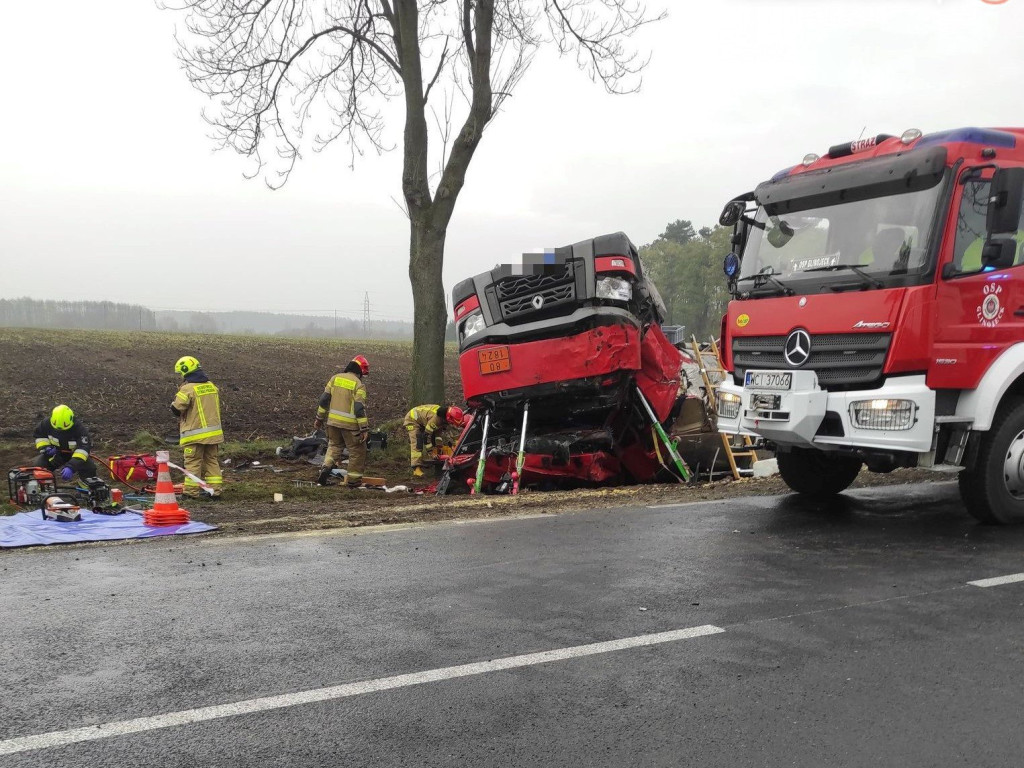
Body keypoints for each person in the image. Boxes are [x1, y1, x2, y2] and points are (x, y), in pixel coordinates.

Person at [171, 355, 224, 497]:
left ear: (185, 371)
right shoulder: (211, 386)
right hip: (213, 435)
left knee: (193, 463)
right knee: (211, 462)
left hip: (194, 435)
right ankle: (215, 492)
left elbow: (176, 409)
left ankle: (191, 493)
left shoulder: (187, 389)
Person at [313, 355, 370, 487]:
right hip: (350, 425)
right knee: (357, 451)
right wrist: (364, 428)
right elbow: (359, 408)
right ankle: (353, 481)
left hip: (332, 423)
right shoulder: (359, 385)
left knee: (334, 446)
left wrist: (319, 419)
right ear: (360, 371)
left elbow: (323, 400)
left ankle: (326, 467)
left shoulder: (334, 379)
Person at [33, 404, 97, 482]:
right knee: (40, 465)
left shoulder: (79, 429)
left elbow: (83, 449)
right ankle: (45, 487)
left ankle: (85, 490)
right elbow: (40, 437)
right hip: (55, 454)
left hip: (75, 455)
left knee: (89, 468)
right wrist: (45, 448)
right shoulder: (45, 424)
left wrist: (71, 467)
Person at [403, 404, 465, 477]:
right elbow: (427, 436)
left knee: (436, 440)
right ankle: (416, 468)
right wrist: (431, 452)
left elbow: (437, 435)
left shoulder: (443, 417)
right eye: (452, 422)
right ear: (449, 418)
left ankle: (424, 460)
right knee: (417, 442)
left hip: (422, 419)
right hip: (412, 419)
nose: (452, 424)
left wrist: (439, 447)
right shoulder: (436, 419)